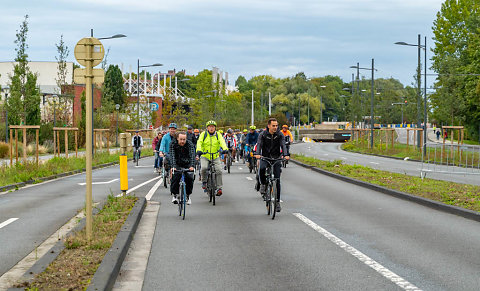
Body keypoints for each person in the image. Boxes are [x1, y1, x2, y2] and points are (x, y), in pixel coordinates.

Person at [254, 118, 290, 212]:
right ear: (269, 125)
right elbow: (259, 144)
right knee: (261, 169)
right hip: (265, 157)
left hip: (276, 157)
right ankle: (263, 184)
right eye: (273, 125)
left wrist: (286, 155)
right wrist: (257, 154)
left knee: (277, 180)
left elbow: (283, 145)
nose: (275, 127)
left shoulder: (280, 134)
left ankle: (277, 202)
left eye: (276, 125)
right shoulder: (263, 134)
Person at [196, 120, 228, 196]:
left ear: (215, 128)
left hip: (215, 156)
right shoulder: (203, 134)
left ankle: (219, 188)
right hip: (205, 155)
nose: (211, 128)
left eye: (213, 127)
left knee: (219, 171)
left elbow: (222, 142)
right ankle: (204, 182)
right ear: (207, 128)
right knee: (203, 168)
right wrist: (199, 150)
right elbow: (199, 142)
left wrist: (225, 149)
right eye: (210, 127)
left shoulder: (218, 135)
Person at [170, 132, 196, 205]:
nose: (182, 141)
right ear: (177, 138)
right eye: (181, 139)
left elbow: (192, 155)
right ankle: (175, 195)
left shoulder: (189, 144)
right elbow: (172, 156)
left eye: (184, 139)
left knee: (190, 177)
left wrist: (192, 165)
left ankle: (187, 196)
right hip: (177, 163)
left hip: (187, 164)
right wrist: (173, 166)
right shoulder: (173, 144)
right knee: (176, 176)